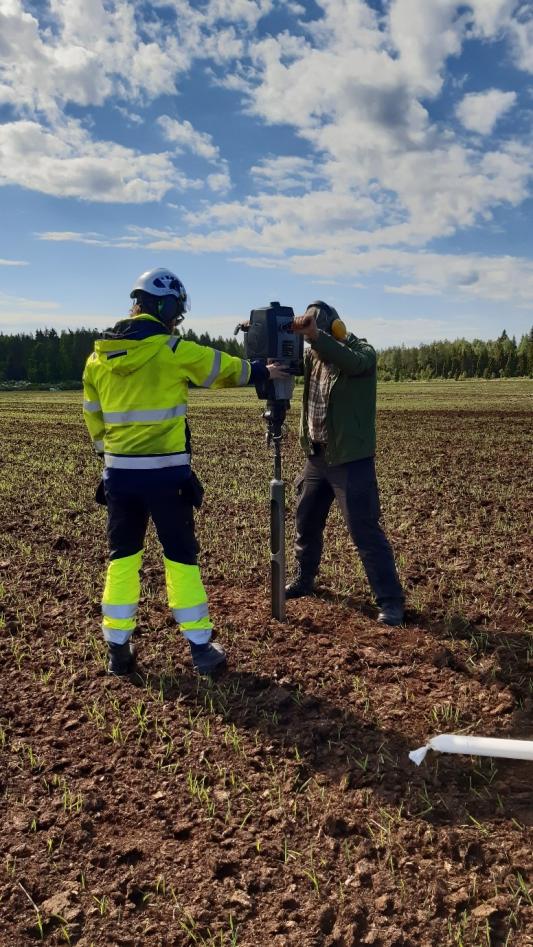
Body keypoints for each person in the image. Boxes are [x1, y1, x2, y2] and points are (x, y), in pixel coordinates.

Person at [83, 268, 285, 676]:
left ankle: (118, 652)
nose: (176, 321)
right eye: (175, 312)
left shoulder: (97, 359)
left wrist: (112, 462)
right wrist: (265, 371)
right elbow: (225, 368)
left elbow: (94, 419)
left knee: (122, 560)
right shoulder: (171, 350)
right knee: (180, 560)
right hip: (166, 477)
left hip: (119, 479)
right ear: (166, 307)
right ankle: (200, 649)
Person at [286, 302, 405, 626]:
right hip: (317, 456)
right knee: (306, 522)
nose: (312, 338)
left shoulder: (361, 352)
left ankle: (391, 601)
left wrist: (317, 337)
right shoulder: (311, 357)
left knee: (364, 531)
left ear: (333, 328)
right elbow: (288, 365)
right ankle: (304, 579)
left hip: (350, 459)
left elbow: (352, 362)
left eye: (316, 329)